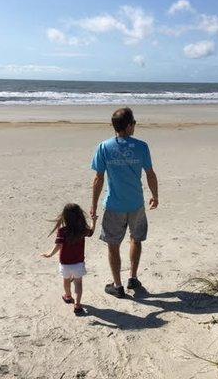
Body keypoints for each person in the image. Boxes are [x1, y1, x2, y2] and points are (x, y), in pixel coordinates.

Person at [90, 107, 159, 298]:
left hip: (114, 205)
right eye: (134, 123)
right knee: (135, 239)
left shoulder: (104, 147)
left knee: (113, 244)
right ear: (128, 126)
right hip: (136, 203)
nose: (135, 126)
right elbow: (150, 174)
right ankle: (133, 278)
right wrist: (155, 195)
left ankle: (118, 285)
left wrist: (94, 204)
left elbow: (98, 178)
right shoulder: (142, 146)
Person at [41, 203, 97, 315]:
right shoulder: (82, 230)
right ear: (80, 216)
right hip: (78, 263)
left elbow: (58, 246)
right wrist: (93, 221)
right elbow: (91, 232)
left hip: (65, 263)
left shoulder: (62, 231)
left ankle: (68, 296)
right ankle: (77, 304)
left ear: (64, 217)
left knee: (66, 281)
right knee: (78, 284)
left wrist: (50, 254)